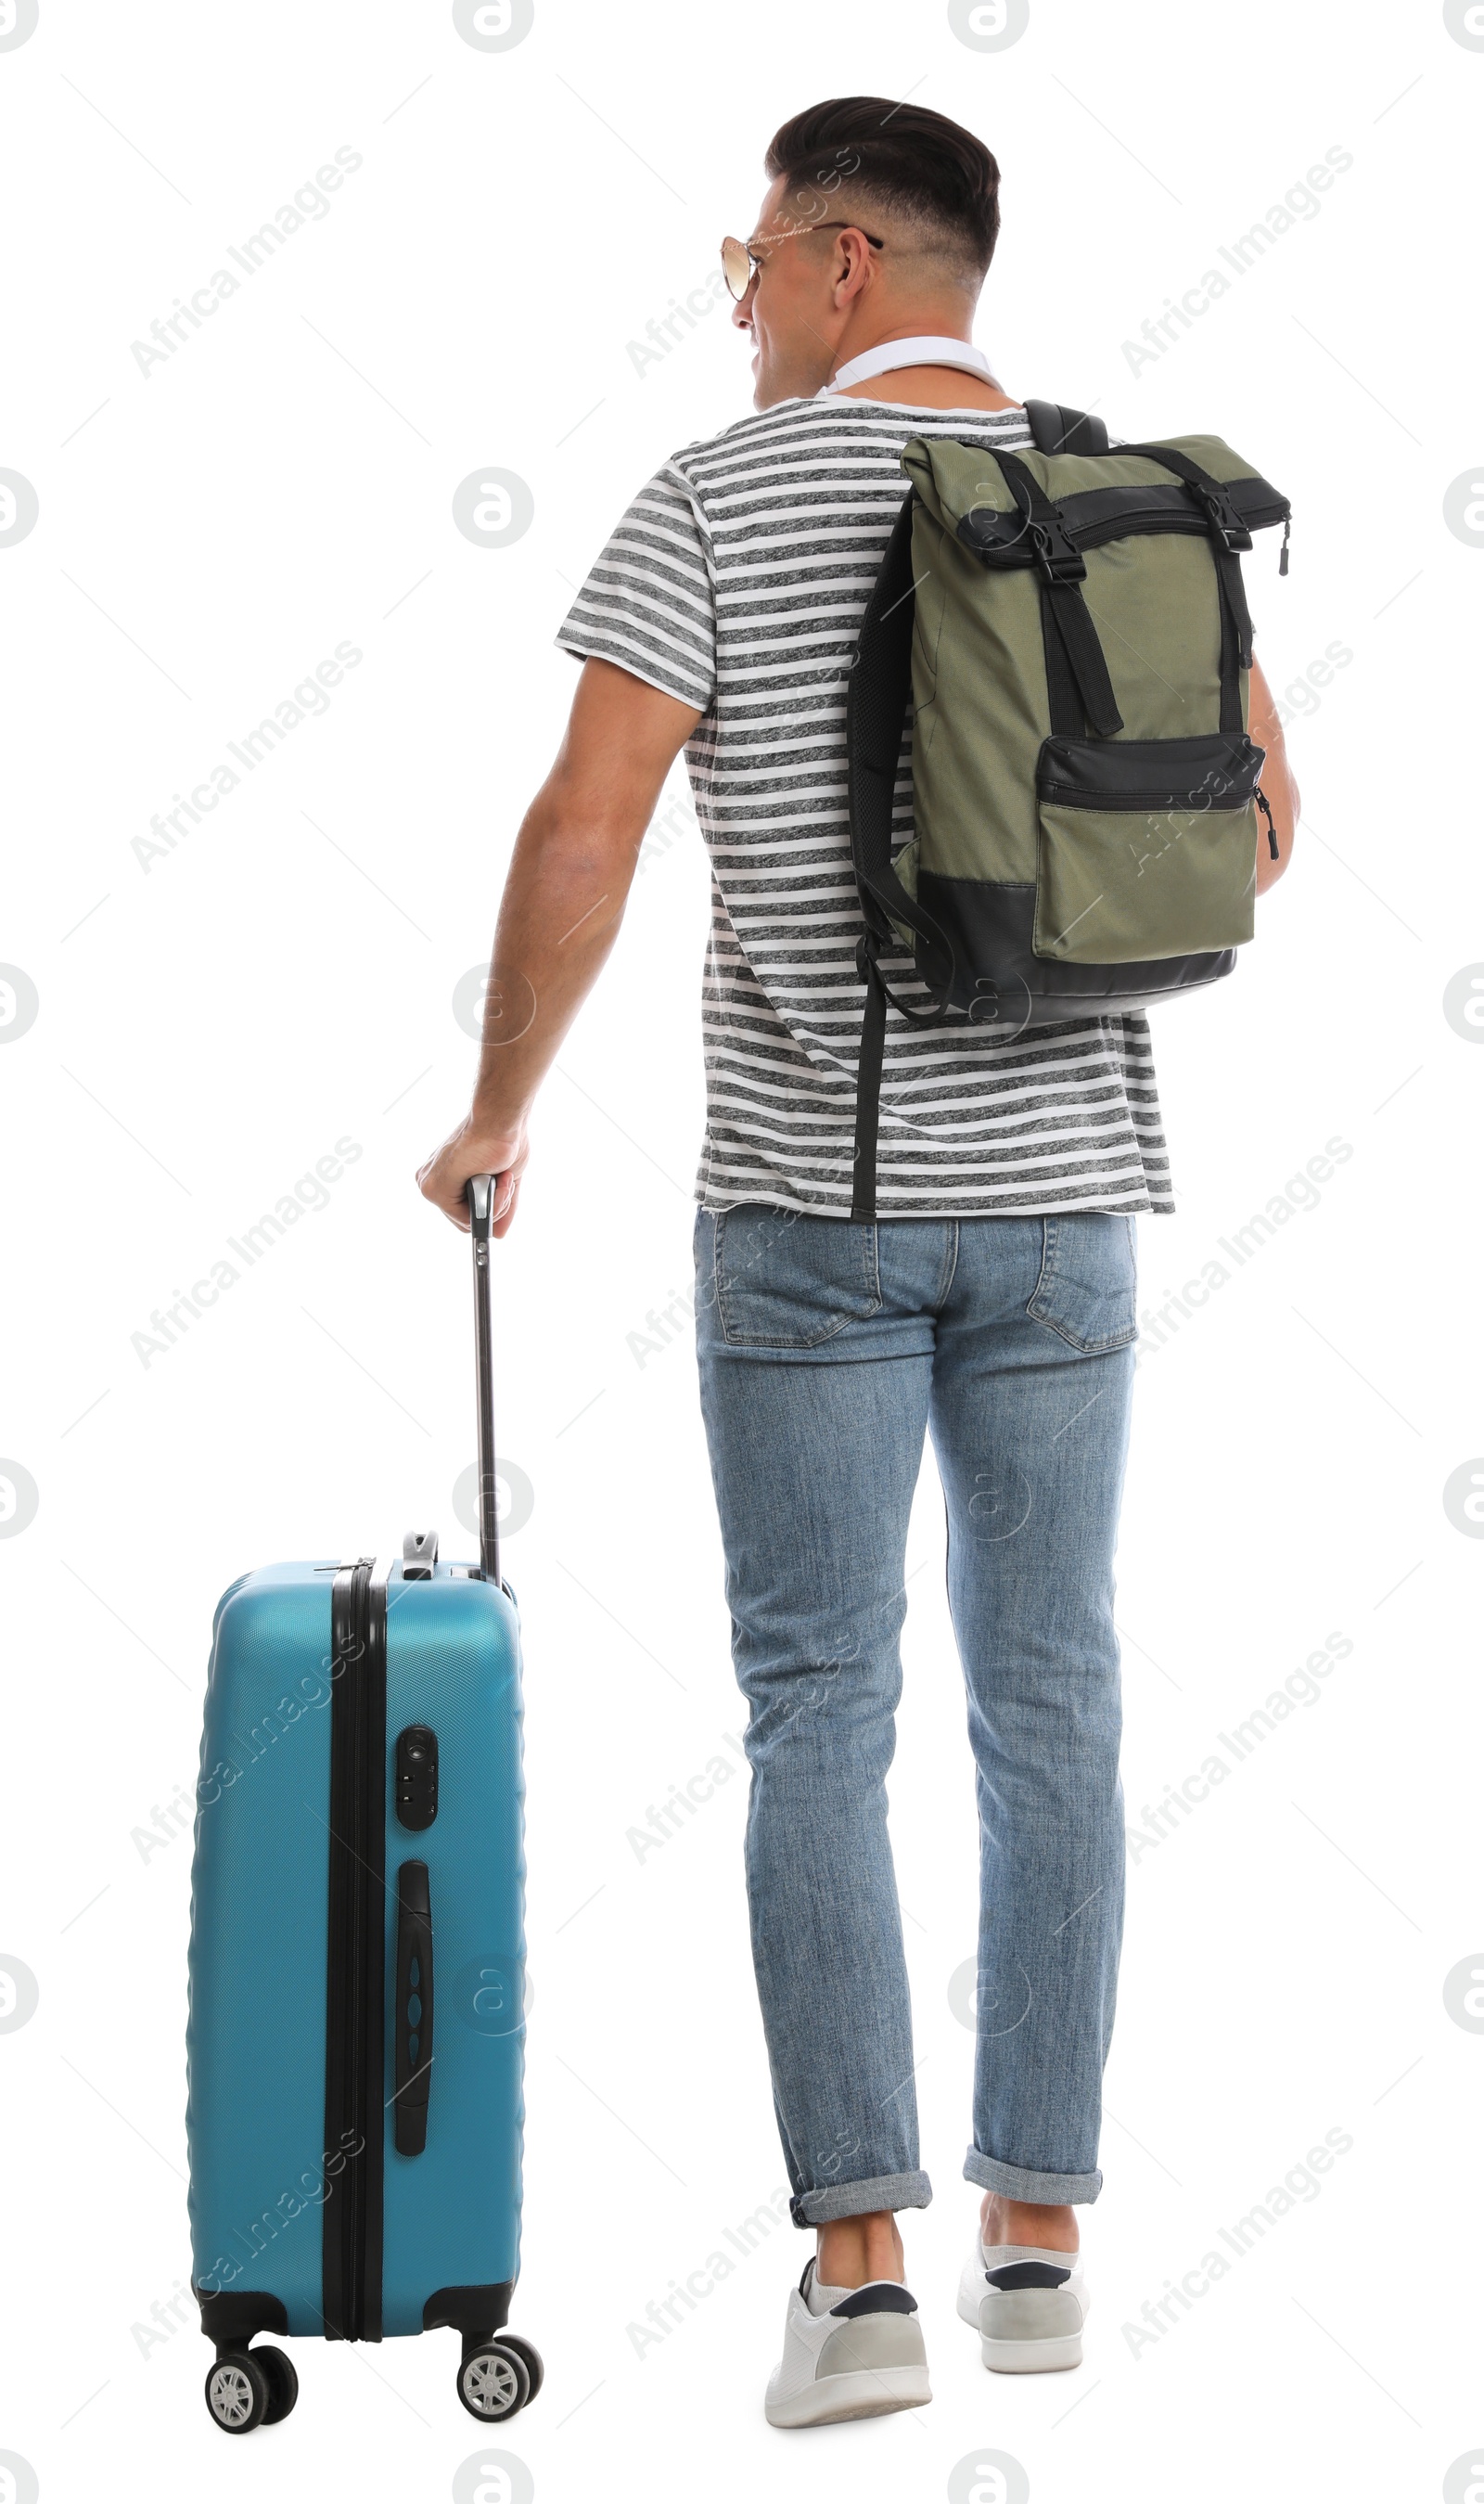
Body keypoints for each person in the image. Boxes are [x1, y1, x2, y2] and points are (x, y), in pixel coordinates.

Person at [418, 95, 1298, 2430]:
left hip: (807, 1215)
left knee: (822, 1715)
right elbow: (1263, 826)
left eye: (742, 266)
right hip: (1071, 1209)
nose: (731, 311)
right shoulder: (1123, 493)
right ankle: (1038, 2246)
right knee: (1058, 1706)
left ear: (832, 265)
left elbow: (585, 828)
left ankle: (858, 2282)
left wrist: (500, 1111)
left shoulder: (713, 498)